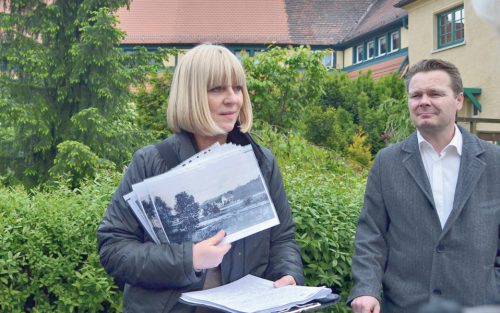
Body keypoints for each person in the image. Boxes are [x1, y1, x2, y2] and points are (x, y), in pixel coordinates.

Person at [97, 44, 304, 313]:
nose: (233, 99)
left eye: (237, 88)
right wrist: (189, 259)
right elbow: (114, 249)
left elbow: (282, 239)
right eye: (217, 89)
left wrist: (288, 275)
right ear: (191, 95)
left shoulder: (261, 162)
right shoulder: (151, 162)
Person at [347, 59, 500, 313]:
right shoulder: (388, 162)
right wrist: (366, 289)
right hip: (406, 306)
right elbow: (371, 236)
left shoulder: (494, 162)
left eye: (435, 94)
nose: (424, 101)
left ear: (459, 100)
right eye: (416, 95)